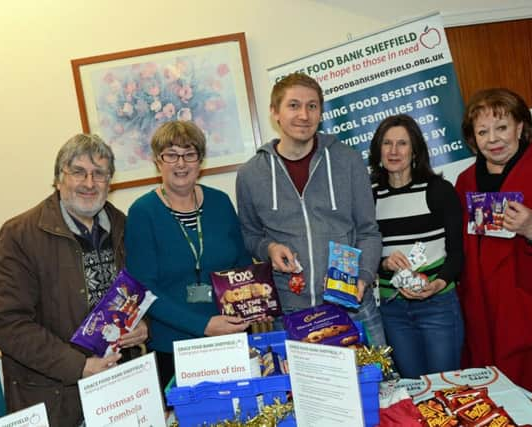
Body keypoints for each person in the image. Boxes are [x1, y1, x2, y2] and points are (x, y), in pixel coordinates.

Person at [0, 134, 148, 426]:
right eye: (78, 172)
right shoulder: (19, 235)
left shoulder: (123, 226)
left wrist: (143, 325)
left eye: (99, 173)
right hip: (54, 397)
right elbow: (7, 323)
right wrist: (79, 366)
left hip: (121, 389)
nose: (89, 183)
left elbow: (142, 290)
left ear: (110, 181)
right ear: (58, 179)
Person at [236, 73, 385, 346]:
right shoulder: (250, 174)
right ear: (274, 113)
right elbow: (250, 235)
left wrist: (363, 278)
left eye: (312, 106)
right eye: (293, 105)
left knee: (374, 385)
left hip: (353, 306)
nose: (304, 115)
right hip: (290, 312)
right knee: (304, 390)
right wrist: (268, 249)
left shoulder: (348, 160)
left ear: (320, 113)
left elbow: (368, 231)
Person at [456, 88, 532, 424]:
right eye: (483, 132)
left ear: (520, 126)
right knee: (490, 412)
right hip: (480, 321)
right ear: (473, 139)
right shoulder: (465, 181)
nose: (493, 140)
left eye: (501, 128)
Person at [125, 120, 252, 390]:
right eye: (171, 155)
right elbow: (143, 289)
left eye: (189, 154)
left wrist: (254, 305)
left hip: (230, 336)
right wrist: (204, 325)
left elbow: (241, 263)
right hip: (174, 347)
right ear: (158, 161)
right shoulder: (142, 212)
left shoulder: (220, 201)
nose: (180, 163)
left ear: (200, 161)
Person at [369, 114, 464, 379]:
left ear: (415, 151)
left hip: (437, 304)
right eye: (387, 143)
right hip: (392, 308)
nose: (394, 151)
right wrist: (383, 263)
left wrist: (439, 283)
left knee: (444, 386)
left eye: (402, 143)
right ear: (378, 150)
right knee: (412, 389)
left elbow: (457, 254)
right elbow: (362, 253)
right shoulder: (370, 195)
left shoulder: (439, 190)